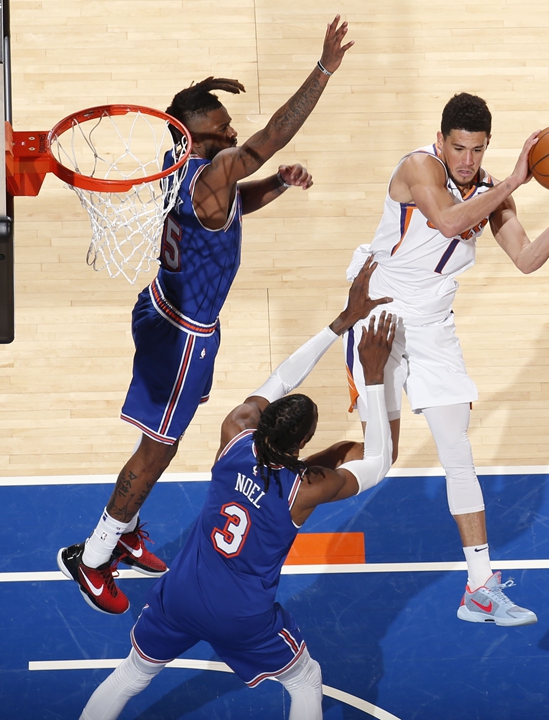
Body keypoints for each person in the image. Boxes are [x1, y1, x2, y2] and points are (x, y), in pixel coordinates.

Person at [58, 16, 356, 615]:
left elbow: (228, 204)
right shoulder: (212, 172)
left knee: (159, 438)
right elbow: (272, 135)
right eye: (222, 131)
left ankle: (127, 530)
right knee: (157, 451)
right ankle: (93, 556)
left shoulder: (182, 166)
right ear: (196, 140)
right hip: (183, 337)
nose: (233, 133)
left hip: (162, 305)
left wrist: (275, 185)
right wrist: (323, 69)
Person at [78, 259, 395, 720]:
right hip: (241, 616)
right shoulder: (305, 489)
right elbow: (380, 462)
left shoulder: (235, 433)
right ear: (305, 443)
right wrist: (373, 375)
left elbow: (282, 378)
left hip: (182, 594)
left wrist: (340, 323)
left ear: (264, 421)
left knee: (130, 675)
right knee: (305, 680)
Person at [343, 92, 549, 627]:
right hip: (379, 317)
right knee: (379, 460)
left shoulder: (492, 193)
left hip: (433, 326)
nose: (467, 160)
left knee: (458, 453)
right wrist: (514, 182)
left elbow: (526, 259)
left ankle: (480, 589)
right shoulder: (418, 168)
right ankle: (282, 477)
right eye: (459, 148)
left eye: (477, 150)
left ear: (487, 146)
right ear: (441, 140)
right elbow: (444, 221)